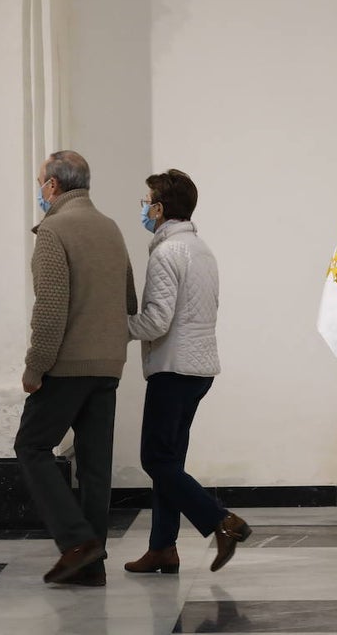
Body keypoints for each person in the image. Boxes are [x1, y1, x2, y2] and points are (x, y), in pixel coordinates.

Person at [14, 150, 137, 586]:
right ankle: (92, 566)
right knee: (95, 464)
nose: (39, 189)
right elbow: (130, 301)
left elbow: (49, 310)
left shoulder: (53, 230)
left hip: (67, 365)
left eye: (39, 181)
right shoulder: (110, 228)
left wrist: (35, 367)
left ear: (53, 186)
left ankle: (77, 542)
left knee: (31, 446)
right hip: (109, 363)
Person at [123, 168, 251, 575]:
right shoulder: (202, 250)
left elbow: (157, 321)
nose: (143, 209)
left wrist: (117, 326)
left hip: (172, 368)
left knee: (155, 460)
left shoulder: (165, 253)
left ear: (159, 209)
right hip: (199, 369)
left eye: (146, 202)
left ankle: (222, 521)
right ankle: (162, 548)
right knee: (170, 463)